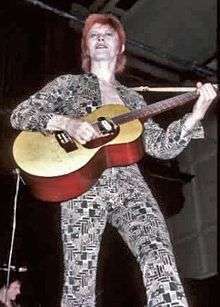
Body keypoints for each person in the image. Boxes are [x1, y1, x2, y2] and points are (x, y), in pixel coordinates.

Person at [10, 13, 216, 307]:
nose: (101, 39)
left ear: (120, 47)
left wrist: (196, 114)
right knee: (79, 280)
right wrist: (67, 124)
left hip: (130, 182)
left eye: (109, 34)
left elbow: (161, 146)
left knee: (157, 251)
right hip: (82, 182)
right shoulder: (68, 84)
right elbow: (21, 114)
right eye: (94, 35)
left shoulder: (134, 99)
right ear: (86, 47)